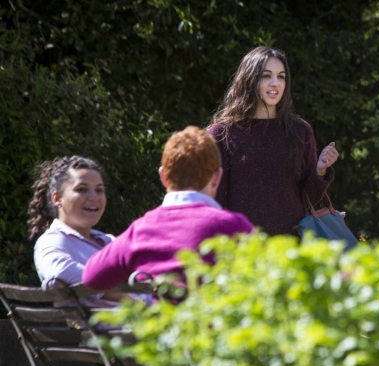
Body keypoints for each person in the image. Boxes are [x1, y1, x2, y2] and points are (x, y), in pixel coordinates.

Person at [82, 126, 254, 293]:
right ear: (217, 178)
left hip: (159, 320)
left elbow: (91, 277)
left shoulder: (141, 230)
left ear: (163, 177)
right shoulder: (234, 227)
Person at [207, 46, 338, 236]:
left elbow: (308, 199)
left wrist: (320, 169)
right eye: (266, 76)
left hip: (289, 249)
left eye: (281, 77)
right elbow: (215, 200)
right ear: (249, 80)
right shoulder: (222, 133)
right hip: (242, 250)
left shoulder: (300, 131)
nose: (275, 83)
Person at [28, 156, 133, 308]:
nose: (94, 197)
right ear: (57, 198)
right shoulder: (52, 241)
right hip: (110, 329)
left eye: (99, 190)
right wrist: (130, 299)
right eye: (81, 189)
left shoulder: (109, 240)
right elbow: (60, 273)